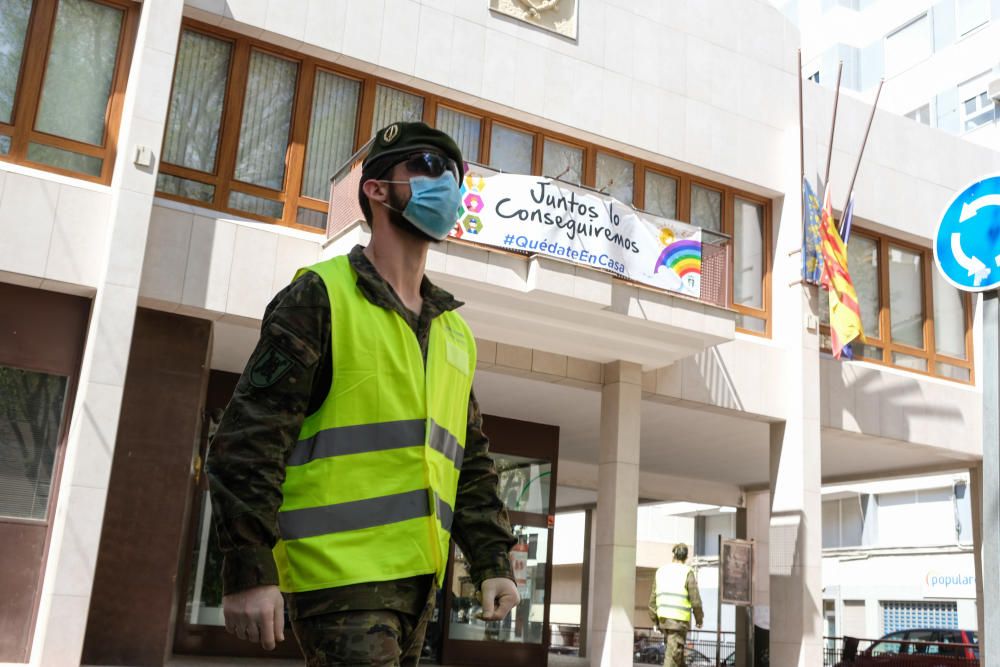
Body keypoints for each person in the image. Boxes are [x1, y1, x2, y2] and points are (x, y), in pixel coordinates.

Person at [206, 121, 520, 666]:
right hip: (337, 578)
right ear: (375, 189)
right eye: (424, 165)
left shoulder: (453, 332)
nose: (444, 180)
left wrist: (493, 560)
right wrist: (248, 570)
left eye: (453, 172)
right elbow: (248, 441)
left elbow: (469, 463)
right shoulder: (319, 297)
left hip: (420, 582)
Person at [649, 543, 704, 667]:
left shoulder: (661, 571)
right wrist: (699, 619)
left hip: (664, 621)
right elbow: (695, 600)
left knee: (676, 656)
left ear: (673, 555)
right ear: (686, 557)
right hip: (678, 623)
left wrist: (655, 621)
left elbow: (652, 601)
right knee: (673, 658)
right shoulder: (687, 572)